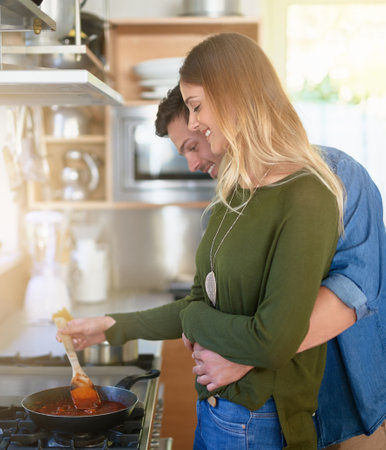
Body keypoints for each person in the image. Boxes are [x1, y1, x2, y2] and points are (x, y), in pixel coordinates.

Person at [59, 32, 346, 449]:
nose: (194, 124)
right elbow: (200, 300)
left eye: (196, 109)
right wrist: (112, 326)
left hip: (261, 420)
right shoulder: (235, 198)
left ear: (234, 95)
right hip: (215, 412)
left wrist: (195, 321)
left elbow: (272, 342)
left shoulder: (307, 195)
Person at [155, 85, 386, 449]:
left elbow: (355, 288)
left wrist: (245, 357)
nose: (195, 163)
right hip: (274, 412)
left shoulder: (336, 175)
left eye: (196, 141)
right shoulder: (220, 212)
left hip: (353, 403)